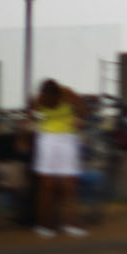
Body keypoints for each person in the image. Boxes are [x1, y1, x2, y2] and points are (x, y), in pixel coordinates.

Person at [29, 79, 87, 237]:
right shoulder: (36, 101)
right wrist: (33, 126)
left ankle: (71, 224)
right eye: (46, 101)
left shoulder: (68, 94)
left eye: (51, 101)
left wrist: (79, 118)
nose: (49, 104)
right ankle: (43, 226)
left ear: (57, 96)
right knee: (46, 185)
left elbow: (83, 110)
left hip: (68, 139)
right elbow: (32, 119)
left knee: (70, 185)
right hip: (47, 139)